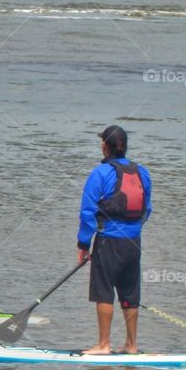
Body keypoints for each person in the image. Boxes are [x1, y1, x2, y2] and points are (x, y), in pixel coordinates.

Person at [76, 125, 152, 354]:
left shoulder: (99, 173)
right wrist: (131, 230)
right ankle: (131, 345)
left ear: (104, 146)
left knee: (104, 292)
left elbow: (87, 212)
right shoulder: (142, 173)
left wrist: (83, 244)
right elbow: (147, 210)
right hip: (133, 242)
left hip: (108, 241)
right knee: (129, 295)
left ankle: (103, 345)